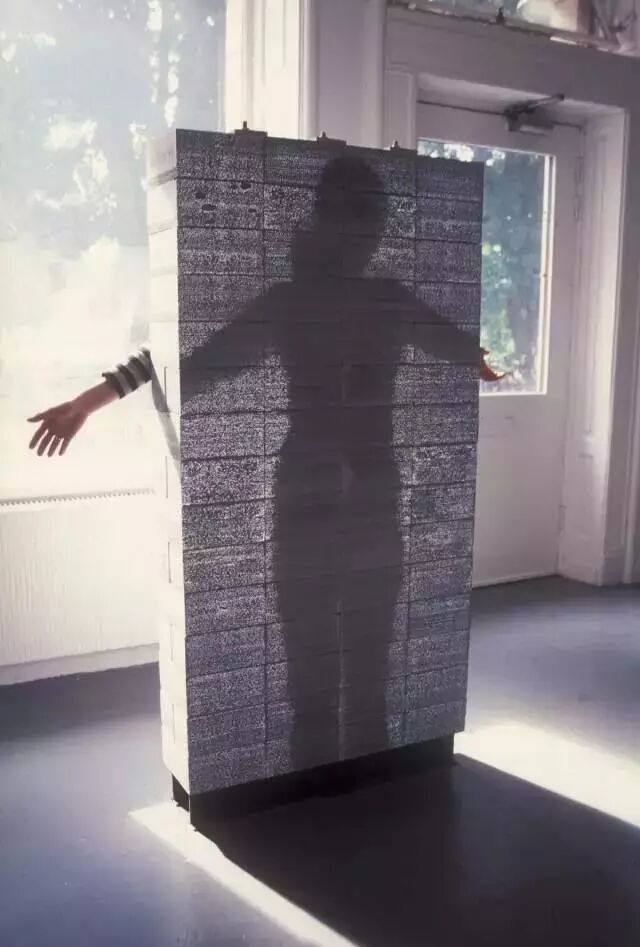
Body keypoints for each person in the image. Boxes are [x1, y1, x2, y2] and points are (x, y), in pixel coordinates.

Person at [28, 156, 503, 769]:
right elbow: (184, 361)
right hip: (320, 494)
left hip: (361, 496)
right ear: (329, 222)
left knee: (362, 662)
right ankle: (327, 789)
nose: (366, 234)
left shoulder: (365, 300)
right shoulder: (308, 302)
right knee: (318, 666)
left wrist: (475, 357)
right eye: (358, 218)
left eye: (371, 220)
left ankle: (355, 784)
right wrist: (89, 402)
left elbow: (455, 344)